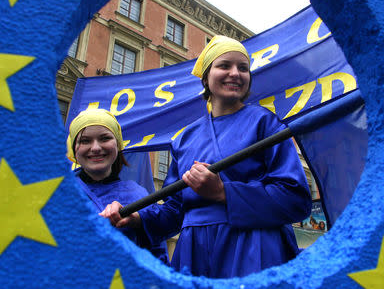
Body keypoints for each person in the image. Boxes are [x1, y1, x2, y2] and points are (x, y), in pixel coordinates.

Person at [101, 35, 312, 278]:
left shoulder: (265, 123)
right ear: (206, 77)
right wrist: (136, 217)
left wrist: (224, 192)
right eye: (224, 66)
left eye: (243, 68)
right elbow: (174, 211)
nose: (235, 73)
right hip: (194, 253)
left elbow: (295, 199)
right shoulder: (184, 138)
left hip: (254, 248)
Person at [66, 108, 168, 264]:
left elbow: (157, 258)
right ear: (74, 149)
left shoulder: (139, 195)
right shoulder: (55, 193)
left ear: (117, 145)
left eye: (104, 138)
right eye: (85, 141)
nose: (95, 148)